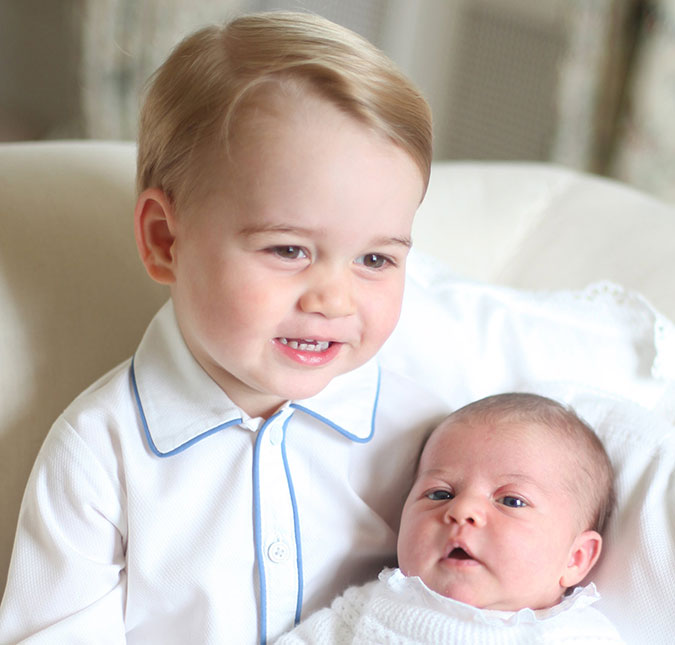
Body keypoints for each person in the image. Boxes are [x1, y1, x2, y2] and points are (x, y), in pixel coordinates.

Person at [0, 12, 445, 645]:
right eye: (288, 249)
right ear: (165, 240)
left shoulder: (427, 436)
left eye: (375, 259)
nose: (333, 298)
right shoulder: (101, 452)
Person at [276, 393, 625, 644]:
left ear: (575, 558)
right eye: (440, 494)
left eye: (511, 500)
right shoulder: (369, 608)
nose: (461, 511)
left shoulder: (579, 635)